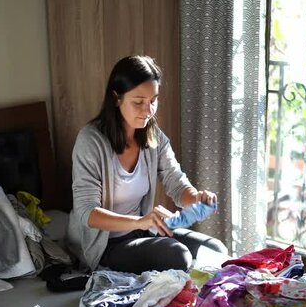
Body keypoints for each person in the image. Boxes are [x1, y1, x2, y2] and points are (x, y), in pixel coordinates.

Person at [66, 55, 227, 274]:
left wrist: (198, 198)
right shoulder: (91, 141)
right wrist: (139, 222)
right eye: (138, 102)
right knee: (177, 255)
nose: (148, 110)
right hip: (106, 245)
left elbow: (177, 185)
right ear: (116, 98)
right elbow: (87, 213)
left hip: (142, 232)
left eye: (153, 100)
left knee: (215, 249)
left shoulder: (154, 138)